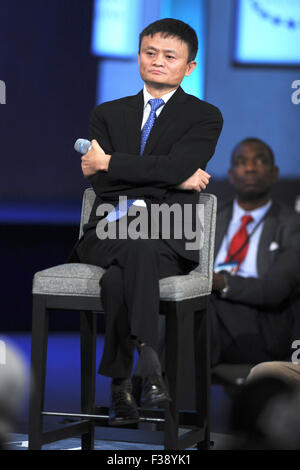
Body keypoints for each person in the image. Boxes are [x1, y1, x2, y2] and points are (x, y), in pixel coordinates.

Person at [72, 18, 223, 426]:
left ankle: (122, 388)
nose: (157, 62)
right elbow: (102, 186)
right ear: (139, 55)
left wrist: (113, 163)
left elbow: (123, 168)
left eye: (169, 56)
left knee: (117, 280)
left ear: (189, 66)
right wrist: (172, 176)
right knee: (134, 244)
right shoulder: (108, 113)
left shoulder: (204, 116)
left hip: (171, 233)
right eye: (149, 52)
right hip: (107, 228)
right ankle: (150, 362)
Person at [210, 137, 300, 366]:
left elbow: (273, 290)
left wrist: (220, 282)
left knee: (197, 308)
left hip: (262, 326)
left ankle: (153, 384)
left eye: (260, 161)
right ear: (231, 175)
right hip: (209, 320)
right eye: (241, 162)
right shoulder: (210, 217)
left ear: (274, 172)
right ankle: (155, 383)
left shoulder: (292, 224)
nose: (250, 168)